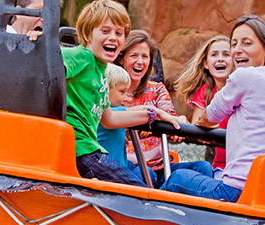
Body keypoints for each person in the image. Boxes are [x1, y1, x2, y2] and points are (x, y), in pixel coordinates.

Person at [162, 15, 265, 202]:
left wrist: (201, 122)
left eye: (246, 43)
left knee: (177, 178)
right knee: (205, 170)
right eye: (234, 44)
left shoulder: (243, 76)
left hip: (237, 191)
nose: (237, 50)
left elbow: (207, 118)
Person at [61, 0, 183, 187]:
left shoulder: (101, 73)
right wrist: (36, 44)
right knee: (140, 193)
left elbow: (110, 119)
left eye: (119, 33)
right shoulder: (82, 57)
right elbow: (49, 64)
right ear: (87, 34)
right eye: (105, 31)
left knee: (141, 186)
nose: (113, 38)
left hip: (89, 150)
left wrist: (153, 113)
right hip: (81, 150)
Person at [114, 30, 213, 187]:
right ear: (121, 59)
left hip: (161, 166)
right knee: (146, 173)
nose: (140, 61)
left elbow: (169, 115)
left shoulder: (157, 88)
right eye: (134, 56)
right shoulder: (112, 90)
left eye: (145, 57)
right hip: (130, 168)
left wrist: (178, 119)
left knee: (203, 168)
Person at [173, 35, 233, 177]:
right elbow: (197, 126)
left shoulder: (240, 87)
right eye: (214, 54)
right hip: (218, 158)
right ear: (206, 64)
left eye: (226, 54)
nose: (220, 58)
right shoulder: (205, 91)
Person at [97, 63, 157, 184]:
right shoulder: (109, 113)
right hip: (110, 176)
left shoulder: (97, 111)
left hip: (116, 167)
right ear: (105, 90)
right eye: (122, 91)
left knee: (134, 166)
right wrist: (156, 113)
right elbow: (133, 111)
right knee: (148, 173)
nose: (126, 98)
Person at [0, 0, 45, 69]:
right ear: (19, 12)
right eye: (39, 12)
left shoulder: (41, 45)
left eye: (48, 14)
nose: (43, 19)